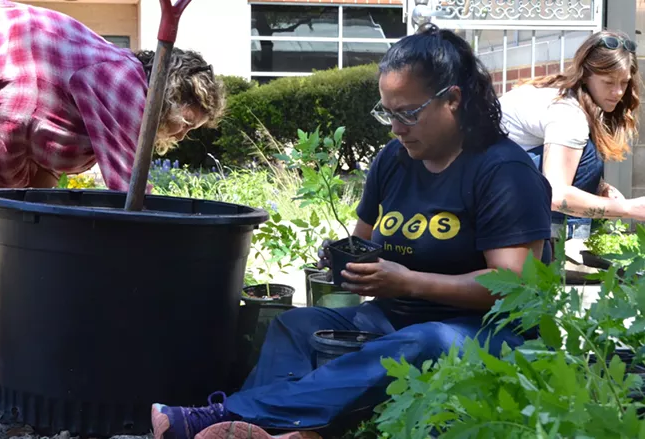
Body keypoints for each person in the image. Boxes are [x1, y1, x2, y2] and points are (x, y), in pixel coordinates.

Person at [150, 24, 553, 439]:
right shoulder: (394, 160)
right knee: (296, 325)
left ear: (453, 100)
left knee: (421, 342)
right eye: (387, 113)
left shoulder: (503, 171)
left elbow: (512, 286)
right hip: (392, 319)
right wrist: (347, 259)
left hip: (485, 333)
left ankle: (224, 417)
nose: (396, 127)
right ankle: (276, 432)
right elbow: (367, 242)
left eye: (408, 113)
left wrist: (410, 283)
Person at [0, 0, 224, 192]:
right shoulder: (124, 83)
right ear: (171, 95)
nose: (183, 135)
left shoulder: (106, 102)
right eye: (186, 123)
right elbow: (129, 189)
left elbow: (40, 174)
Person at [499, 30, 645, 242]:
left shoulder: (562, 92)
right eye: (608, 82)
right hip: (491, 185)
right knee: (589, 158)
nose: (618, 92)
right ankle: (561, 244)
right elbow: (556, 195)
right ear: (585, 75)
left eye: (624, 83)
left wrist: (600, 186)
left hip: (492, 175)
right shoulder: (569, 113)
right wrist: (628, 208)